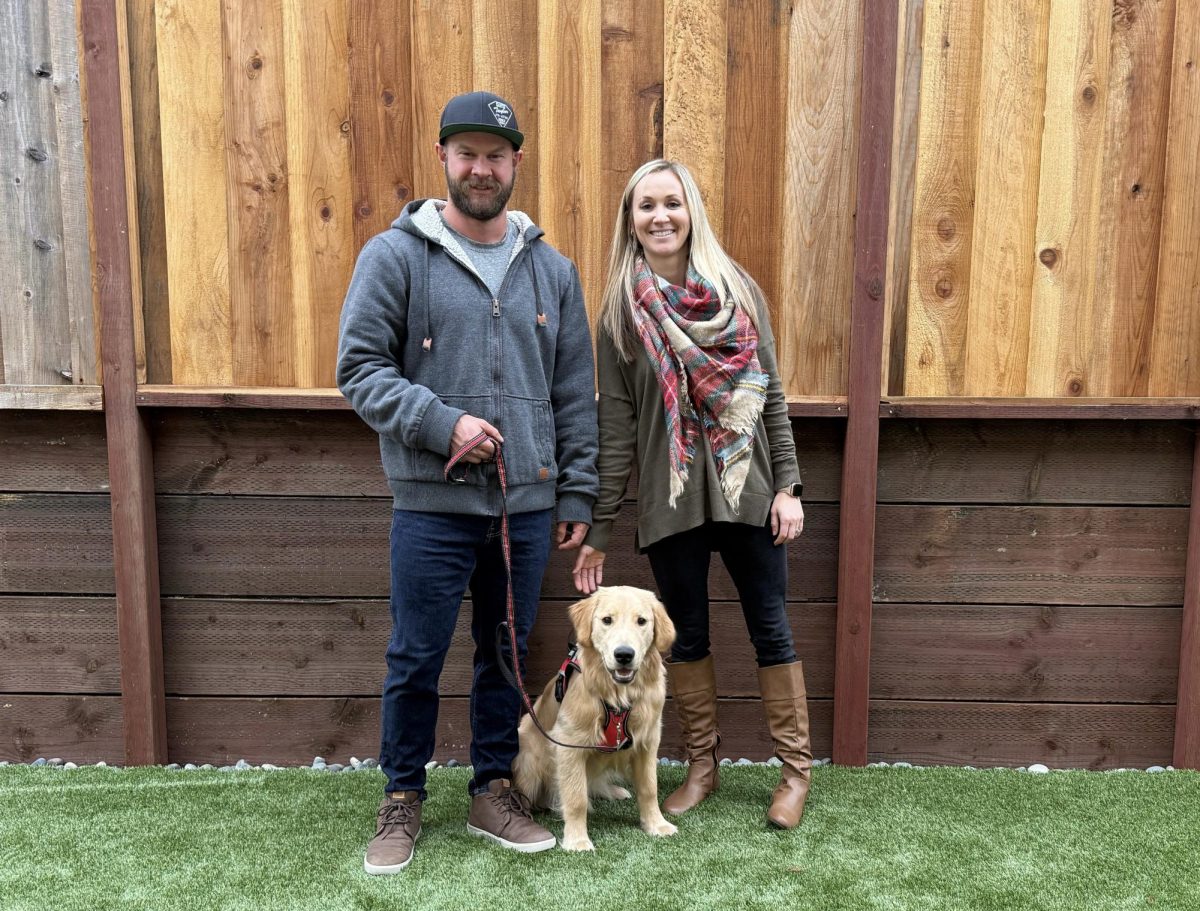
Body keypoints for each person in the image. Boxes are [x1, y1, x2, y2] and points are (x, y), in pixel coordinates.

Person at [338, 90, 599, 874]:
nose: (481, 168)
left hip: (527, 504)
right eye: (467, 153)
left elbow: (572, 390)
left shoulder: (552, 271)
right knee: (415, 654)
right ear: (444, 159)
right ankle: (402, 798)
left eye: (496, 154)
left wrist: (576, 490)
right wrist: (440, 422)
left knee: (506, 652)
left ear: (516, 162)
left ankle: (493, 788)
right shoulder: (395, 256)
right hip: (431, 501)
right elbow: (358, 368)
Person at [572, 159, 812, 829]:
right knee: (690, 636)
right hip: (670, 503)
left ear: (690, 210)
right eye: (645, 205)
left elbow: (771, 400)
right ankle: (702, 766)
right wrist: (599, 529)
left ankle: (795, 774)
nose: (660, 216)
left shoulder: (738, 291)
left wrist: (788, 485)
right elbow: (616, 432)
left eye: (671, 202)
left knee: (771, 628)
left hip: (749, 492)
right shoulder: (621, 314)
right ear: (631, 220)